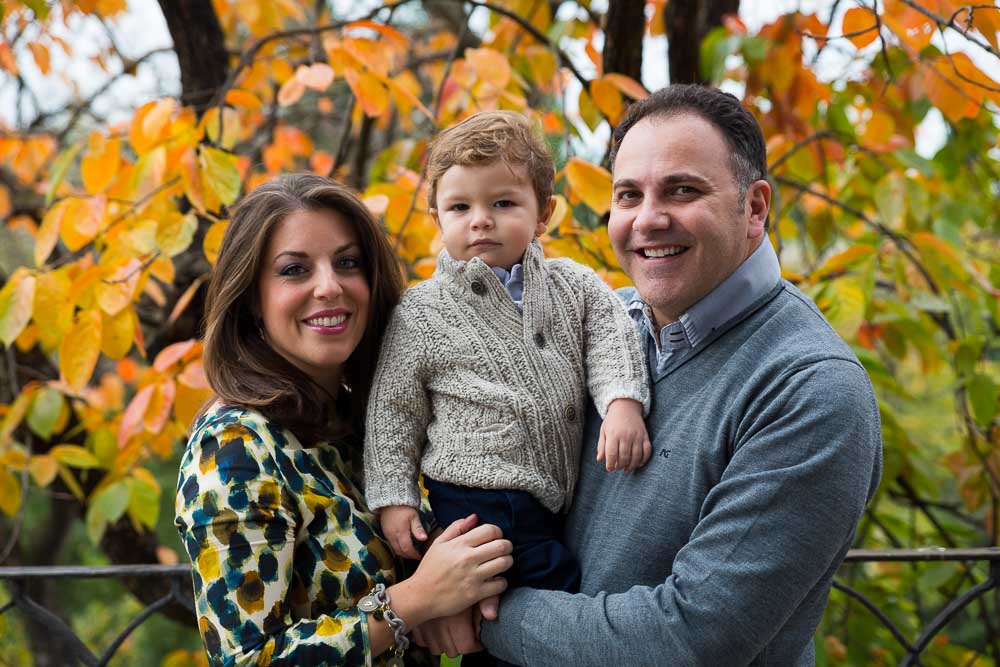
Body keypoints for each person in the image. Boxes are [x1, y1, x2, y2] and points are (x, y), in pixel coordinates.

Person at [419, 85, 883, 664]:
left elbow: (686, 640)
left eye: (683, 190)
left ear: (756, 207)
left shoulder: (809, 389)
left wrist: (472, 612)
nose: (649, 219)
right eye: (628, 195)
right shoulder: (591, 328)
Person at [174, 174, 513, 667]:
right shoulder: (236, 447)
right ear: (252, 299)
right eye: (294, 270)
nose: (329, 287)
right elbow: (247, 660)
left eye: (348, 263)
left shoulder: (364, 425)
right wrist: (415, 601)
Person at [363, 110, 651, 602]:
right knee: (549, 587)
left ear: (543, 214)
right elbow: (393, 409)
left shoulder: (574, 285)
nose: (480, 219)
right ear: (436, 218)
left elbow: (612, 335)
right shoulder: (422, 310)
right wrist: (394, 498)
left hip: (551, 493)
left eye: (502, 202)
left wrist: (622, 401)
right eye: (459, 208)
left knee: (535, 589)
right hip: (475, 496)